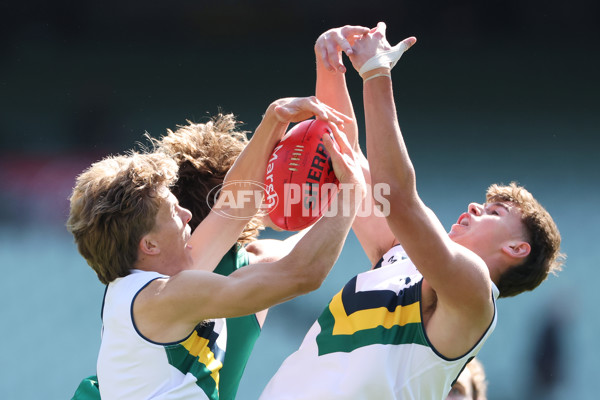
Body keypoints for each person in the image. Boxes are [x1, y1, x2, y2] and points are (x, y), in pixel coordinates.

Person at [260, 23, 564, 399]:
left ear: (517, 249)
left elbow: (398, 198)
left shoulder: (474, 291)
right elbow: (347, 158)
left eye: (495, 212)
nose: (474, 206)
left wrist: (376, 73)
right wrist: (331, 65)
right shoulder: (397, 256)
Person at [67, 95, 366, 400]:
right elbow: (303, 274)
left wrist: (275, 118)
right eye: (173, 211)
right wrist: (351, 193)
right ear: (150, 244)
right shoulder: (168, 295)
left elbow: (232, 207)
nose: (186, 214)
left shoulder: (146, 286)